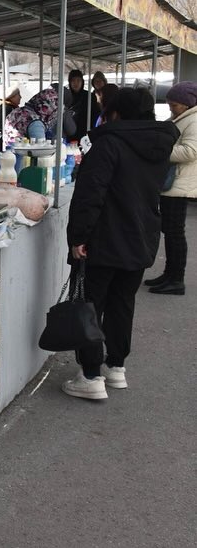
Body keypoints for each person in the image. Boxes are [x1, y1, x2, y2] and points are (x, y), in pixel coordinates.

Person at [64, 88, 179, 400]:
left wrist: (78, 237)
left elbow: (90, 194)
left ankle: (90, 375)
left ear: (114, 112)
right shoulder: (159, 143)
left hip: (104, 238)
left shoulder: (108, 143)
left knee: (91, 305)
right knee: (122, 304)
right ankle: (116, 368)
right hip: (141, 236)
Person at [145, 82, 197, 295]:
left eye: (174, 105)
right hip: (172, 183)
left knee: (175, 233)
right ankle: (170, 274)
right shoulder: (183, 118)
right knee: (171, 231)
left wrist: (162, 149)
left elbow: (190, 151)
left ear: (186, 104)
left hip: (179, 184)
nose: (171, 108)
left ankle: (176, 279)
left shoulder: (193, 121)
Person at [4, 86, 76, 144]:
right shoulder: (35, 122)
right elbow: (40, 150)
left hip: (7, 156)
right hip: (20, 160)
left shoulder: (18, 111)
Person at [66, 69, 100, 141]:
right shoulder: (65, 96)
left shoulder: (89, 96)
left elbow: (95, 115)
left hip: (85, 132)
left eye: (78, 80)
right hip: (69, 132)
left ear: (82, 82)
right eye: (73, 81)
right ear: (69, 82)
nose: (76, 83)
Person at [0, 86, 22, 151]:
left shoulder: (9, 108)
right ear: (12, 97)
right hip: (6, 143)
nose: (20, 97)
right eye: (18, 95)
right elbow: (5, 126)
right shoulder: (7, 109)